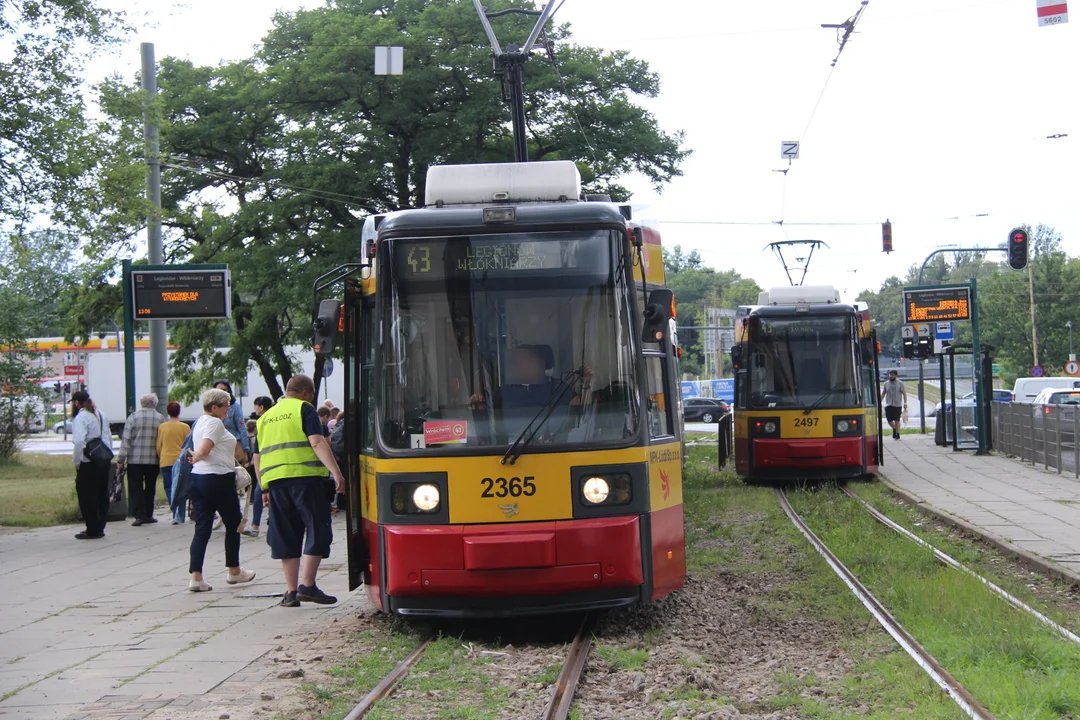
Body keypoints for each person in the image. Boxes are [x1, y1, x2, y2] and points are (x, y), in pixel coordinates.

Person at [255, 374, 345, 607]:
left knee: (286, 533)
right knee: (317, 527)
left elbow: (257, 457)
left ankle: (291, 592)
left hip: (275, 482)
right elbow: (317, 442)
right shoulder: (304, 410)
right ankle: (308, 585)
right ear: (306, 393)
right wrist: (335, 472)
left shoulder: (266, 417)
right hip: (305, 480)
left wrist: (263, 485)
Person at [186, 388, 256, 592]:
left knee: (202, 528)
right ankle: (234, 570)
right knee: (234, 523)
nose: (229, 408)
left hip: (198, 478)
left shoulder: (199, 421)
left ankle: (196, 576)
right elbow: (206, 447)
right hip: (217, 478)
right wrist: (198, 455)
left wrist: (198, 457)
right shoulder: (215, 422)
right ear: (214, 407)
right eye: (226, 405)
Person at [117, 393, 164, 526]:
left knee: (135, 488)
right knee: (150, 487)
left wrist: (121, 459)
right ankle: (149, 514)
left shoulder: (133, 417)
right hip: (153, 460)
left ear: (142, 403)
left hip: (135, 460)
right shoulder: (160, 418)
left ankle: (139, 515)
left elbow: (126, 440)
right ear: (155, 404)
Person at [71, 390, 111, 540]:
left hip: (88, 462)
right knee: (102, 494)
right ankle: (100, 526)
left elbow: (80, 441)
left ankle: (92, 528)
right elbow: (107, 438)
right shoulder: (101, 415)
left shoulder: (81, 417)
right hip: (102, 460)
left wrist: (77, 461)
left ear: (76, 403)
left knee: (87, 495)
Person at [242, 396, 274, 538]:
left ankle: (257, 525)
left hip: (266, 463)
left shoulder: (263, 421)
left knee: (260, 492)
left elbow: (258, 449)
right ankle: (260, 524)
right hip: (273, 461)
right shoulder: (272, 417)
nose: (255, 409)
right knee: (263, 493)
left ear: (261, 407)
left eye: (256, 406)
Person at [157, 401, 190, 525]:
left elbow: (159, 445)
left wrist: (161, 455)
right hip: (180, 461)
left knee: (168, 486)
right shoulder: (185, 427)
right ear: (179, 412)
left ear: (167, 412)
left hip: (166, 459)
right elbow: (188, 445)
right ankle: (179, 514)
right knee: (180, 488)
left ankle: (173, 508)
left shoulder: (162, 427)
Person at [213, 380, 251, 459]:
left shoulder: (235, 407)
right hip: (216, 446)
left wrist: (245, 449)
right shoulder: (211, 408)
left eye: (224, 390)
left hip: (234, 446)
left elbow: (242, 428)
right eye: (218, 390)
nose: (221, 393)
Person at [881, 369, 908, 440]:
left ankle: (897, 434)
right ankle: (895, 429)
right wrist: (879, 401)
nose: (891, 376)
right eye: (890, 375)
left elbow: (904, 393)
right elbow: (883, 393)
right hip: (888, 404)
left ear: (895, 375)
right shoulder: (886, 383)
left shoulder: (900, 383)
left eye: (892, 375)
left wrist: (905, 403)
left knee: (897, 420)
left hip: (897, 404)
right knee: (889, 420)